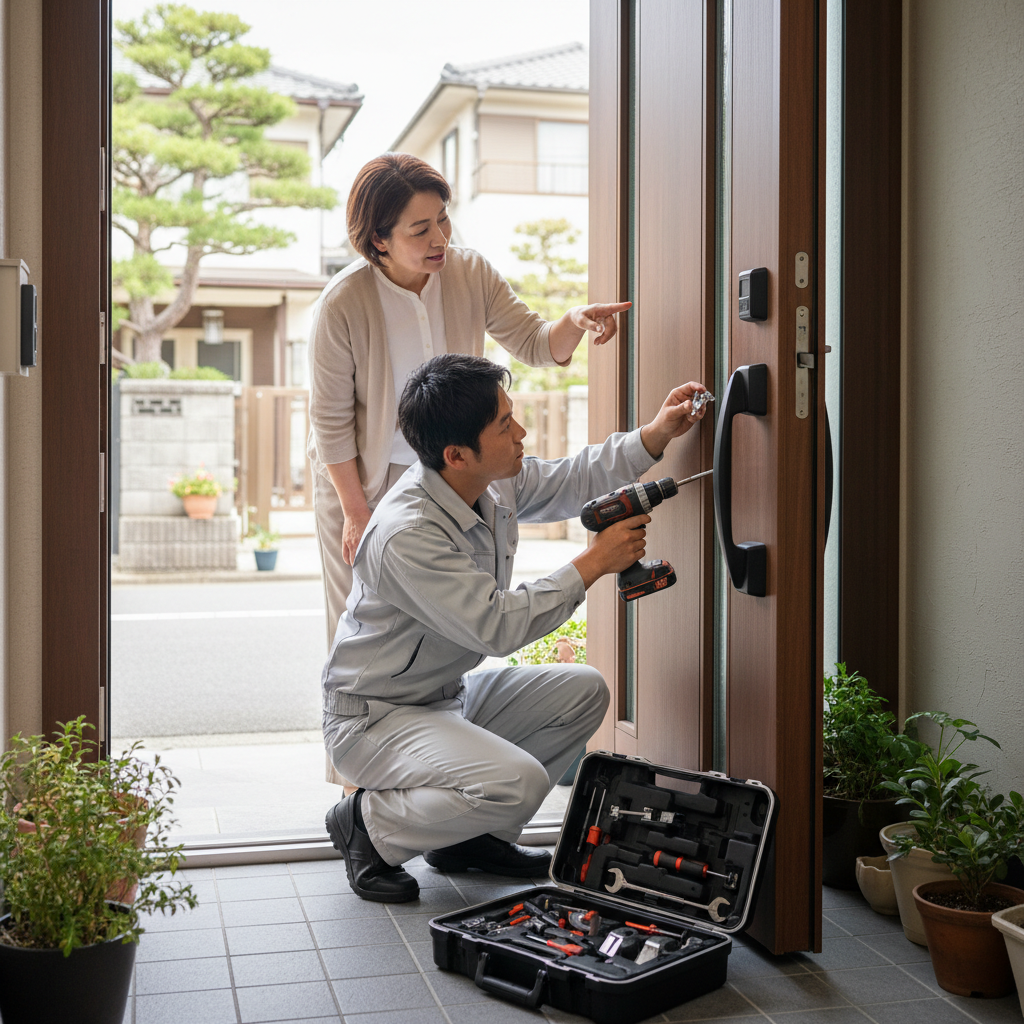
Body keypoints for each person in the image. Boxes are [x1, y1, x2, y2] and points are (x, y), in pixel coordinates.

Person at [322, 353, 709, 902]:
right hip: (375, 715)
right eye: (505, 425)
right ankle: (368, 825)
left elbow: (573, 477)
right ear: (456, 453)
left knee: (583, 691)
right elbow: (496, 626)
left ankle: (472, 842)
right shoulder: (406, 534)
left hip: (441, 698)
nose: (521, 431)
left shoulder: (487, 482)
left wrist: (655, 433)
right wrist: (594, 562)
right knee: (518, 780)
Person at [307, 153, 631, 647]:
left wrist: (576, 321)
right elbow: (329, 421)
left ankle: (443, 715)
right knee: (360, 625)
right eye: (419, 230)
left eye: (443, 219)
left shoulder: (470, 272)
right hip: (362, 480)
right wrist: (355, 512)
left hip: (450, 474)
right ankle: (359, 723)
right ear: (379, 239)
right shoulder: (343, 302)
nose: (439, 238)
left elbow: (535, 343)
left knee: (449, 621)